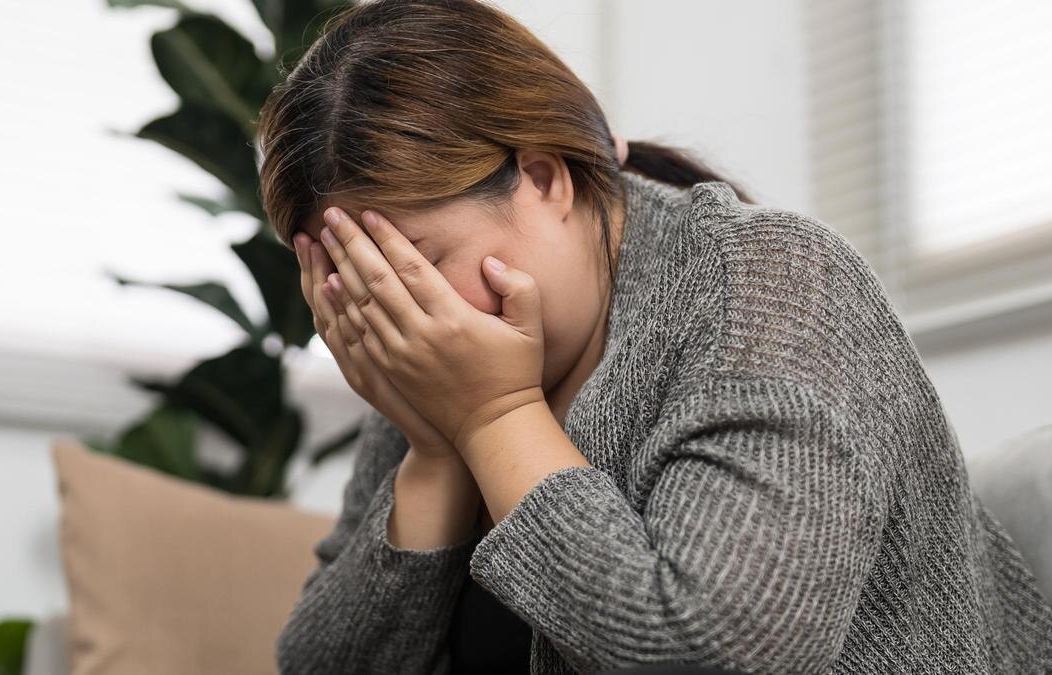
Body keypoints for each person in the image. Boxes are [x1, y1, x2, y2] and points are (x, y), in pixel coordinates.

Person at [258, 1, 1052, 673]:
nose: (392, 310)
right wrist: (435, 453)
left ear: (544, 178)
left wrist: (493, 419)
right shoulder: (429, 353)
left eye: (417, 266)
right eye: (355, 282)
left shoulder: (773, 287)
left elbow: (718, 650)